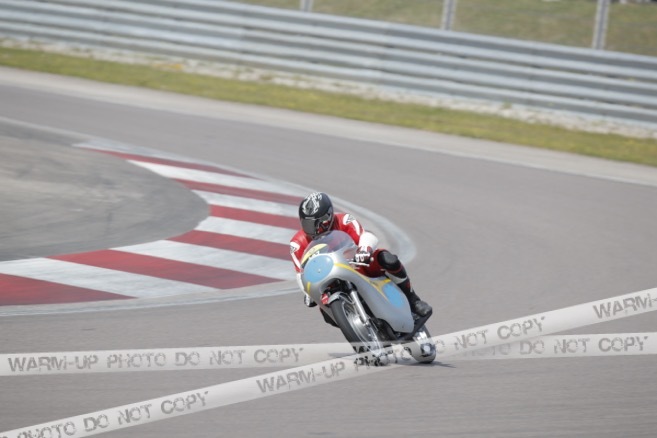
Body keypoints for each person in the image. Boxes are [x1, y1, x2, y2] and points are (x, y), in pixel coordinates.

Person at [289, 192, 432, 317]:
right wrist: (307, 293)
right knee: (325, 312)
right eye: (308, 224)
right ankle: (356, 329)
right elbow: (301, 274)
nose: (315, 230)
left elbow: (365, 236)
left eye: (320, 223)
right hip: (328, 281)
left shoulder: (345, 220)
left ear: (329, 215)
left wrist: (364, 250)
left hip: (357, 266)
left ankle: (413, 300)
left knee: (388, 259)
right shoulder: (297, 244)